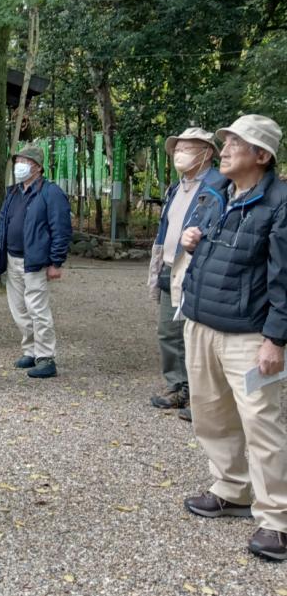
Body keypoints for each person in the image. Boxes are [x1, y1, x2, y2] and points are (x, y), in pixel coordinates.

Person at [178, 114, 287, 562]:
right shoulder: (216, 193)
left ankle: (277, 520)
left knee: (262, 424)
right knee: (211, 416)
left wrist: (275, 339)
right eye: (223, 144)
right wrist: (191, 241)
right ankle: (232, 488)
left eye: (235, 144)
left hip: (249, 335)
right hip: (202, 323)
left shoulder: (279, 203)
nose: (223, 151)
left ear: (261, 156)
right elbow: (210, 248)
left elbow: (284, 278)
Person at [146, 128, 224, 417]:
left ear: (207, 152)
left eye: (188, 148)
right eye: (177, 148)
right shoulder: (176, 187)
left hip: (197, 268)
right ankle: (178, 387)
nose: (180, 153)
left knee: (199, 335)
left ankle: (204, 399)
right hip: (170, 265)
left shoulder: (220, 185)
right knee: (169, 330)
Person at [0, 144, 72, 378]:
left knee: (37, 308)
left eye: (24, 162)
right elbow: (2, 220)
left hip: (35, 260)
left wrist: (56, 261)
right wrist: (0, 245)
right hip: (12, 257)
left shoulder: (51, 193)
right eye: (18, 161)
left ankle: (46, 356)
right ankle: (30, 350)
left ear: (37, 167)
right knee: (19, 308)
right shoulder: (14, 192)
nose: (19, 166)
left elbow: (61, 228)